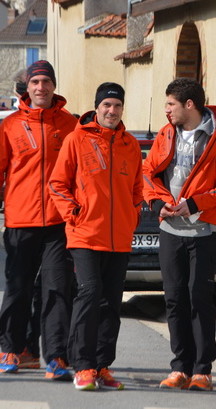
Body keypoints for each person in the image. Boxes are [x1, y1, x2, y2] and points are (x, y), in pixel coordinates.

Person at [0, 60, 77, 379]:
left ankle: (56, 356)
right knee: (18, 289)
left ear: (54, 86)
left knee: (57, 290)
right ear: (28, 87)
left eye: (46, 82)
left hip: (60, 226)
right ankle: (12, 348)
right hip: (20, 223)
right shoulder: (10, 125)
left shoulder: (70, 126)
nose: (41, 88)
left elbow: (83, 175)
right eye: (35, 83)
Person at [144, 78, 216, 392]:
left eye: (171, 104)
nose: (166, 110)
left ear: (189, 105)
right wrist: (158, 203)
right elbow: (147, 172)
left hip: (205, 230)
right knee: (174, 299)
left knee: (198, 298)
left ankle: (203, 371)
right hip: (170, 229)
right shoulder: (165, 133)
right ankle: (180, 369)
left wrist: (198, 203)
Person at [49, 82, 143, 391]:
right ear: (97, 107)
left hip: (119, 237)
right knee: (89, 295)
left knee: (111, 303)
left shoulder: (130, 144)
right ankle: (83, 365)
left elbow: (137, 190)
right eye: (107, 105)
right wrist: (74, 214)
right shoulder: (77, 139)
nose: (112, 111)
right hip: (86, 234)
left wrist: (133, 216)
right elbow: (57, 184)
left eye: (117, 106)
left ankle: (102, 365)